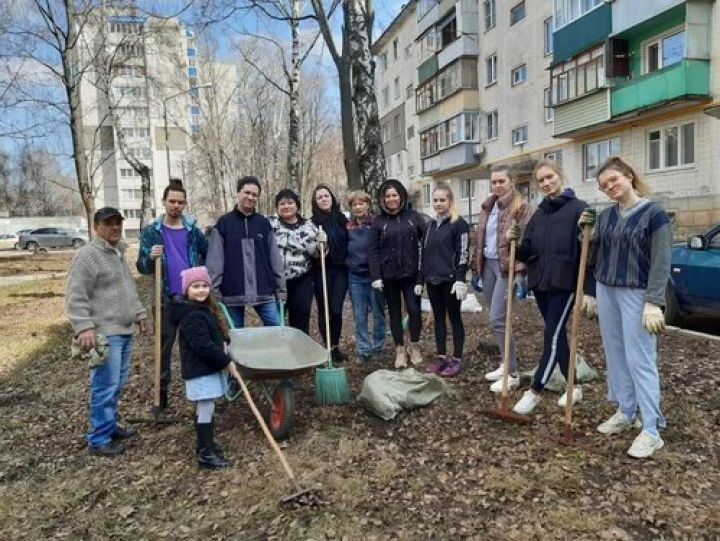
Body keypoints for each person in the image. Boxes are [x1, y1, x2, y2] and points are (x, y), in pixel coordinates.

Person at [580, 156, 671, 459]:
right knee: (615, 353)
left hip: (637, 293)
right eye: (605, 185)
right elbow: (594, 257)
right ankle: (626, 410)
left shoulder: (654, 215)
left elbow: (661, 262)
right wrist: (585, 234)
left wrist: (654, 302)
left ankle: (652, 428)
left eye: (614, 180)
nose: (610, 187)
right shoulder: (606, 216)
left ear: (629, 176)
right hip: (607, 290)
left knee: (640, 357)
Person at [509, 160, 593, 415]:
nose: (546, 183)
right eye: (541, 180)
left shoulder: (579, 209)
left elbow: (589, 252)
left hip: (565, 282)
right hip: (541, 283)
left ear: (560, 176)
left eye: (550, 177)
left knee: (552, 336)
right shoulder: (539, 213)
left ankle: (535, 390)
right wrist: (515, 242)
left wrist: (588, 290)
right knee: (556, 336)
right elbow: (528, 251)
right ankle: (574, 386)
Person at [65, 207, 148, 457]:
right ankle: (99, 439)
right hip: (103, 333)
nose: (114, 227)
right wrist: (84, 327)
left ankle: (110, 426)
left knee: (117, 384)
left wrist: (140, 313)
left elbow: (128, 290)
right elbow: (76, 296)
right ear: (96, 226)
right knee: (104, 385)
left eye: (117, 223)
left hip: (123, 330)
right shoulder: (87, 257)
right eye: (108, 223)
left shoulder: (117, 254)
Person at [136, 179, 208, 410]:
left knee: (195, 346)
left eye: (180, 202)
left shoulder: (193, 232)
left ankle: (200, 393)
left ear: (185, 204)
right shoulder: (151, 233)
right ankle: (161, 396)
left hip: (192, 300)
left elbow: (208, 255)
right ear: (164, 202)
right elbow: (142, 267)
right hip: (165, 299)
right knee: (163, 349)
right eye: (172, 201)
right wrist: (150, 257)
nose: (176, 205)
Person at [168, 266, 241, 469]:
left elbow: (214, 333)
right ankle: (205, 452)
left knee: (206, 408)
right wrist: (226, 363)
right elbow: (203, 346)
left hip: (207, 368)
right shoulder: (191, 316)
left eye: (204, 286)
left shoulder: (203, 310)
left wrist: (224, 338)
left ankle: (207, 444)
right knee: (206, 407)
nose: (201, 290)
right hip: (200, 370)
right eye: (195, 286)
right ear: (186, 290)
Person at [472, 165, 531, 392]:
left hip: (507, 268)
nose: (497, 186)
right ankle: (506, 363)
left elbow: (527, 240)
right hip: (488, 265)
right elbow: (480, 239)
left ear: (511, 181)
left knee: (498, 318)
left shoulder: (521, 207)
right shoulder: (488, 206)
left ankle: (513, 373)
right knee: (498, 319)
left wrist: (520, 272)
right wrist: (475, 268)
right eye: (494, 182)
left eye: (501, 181)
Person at [207, 176, 286, 328]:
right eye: (247, 192)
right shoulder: (224, 224)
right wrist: (214, 291)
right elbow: (215, 260)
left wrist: (281, 288)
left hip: (264, 290)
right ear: (238, 193)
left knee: (278, 330)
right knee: (234, 338)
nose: (250, 197)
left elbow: (275, 258)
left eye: (254, 194)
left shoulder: (263, 224)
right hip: (232, 292)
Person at [368, 179, 427, 368]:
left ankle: (414, 346)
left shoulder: (413, 217)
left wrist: (421, 276)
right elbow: (373, 250)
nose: (391, 199)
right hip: (389, 276)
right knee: (394, 314)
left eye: (394, 195)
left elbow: (426, 244)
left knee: (414, 310)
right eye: (388, 196)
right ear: (383, 199)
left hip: (411, 275)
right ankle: (400, 349)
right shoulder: (378, 222)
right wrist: (376, 276)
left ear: (401, 196)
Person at [419, 184, 470, 377]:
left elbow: (463, 253)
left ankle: (456, 359)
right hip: (432, 280)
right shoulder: (430, 226)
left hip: (451, 281)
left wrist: (460, 279)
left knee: (454, 317)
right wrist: (420, 279)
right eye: (435, 200)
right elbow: (424, 253)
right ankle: (441, 356)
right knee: (438, 318)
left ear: (450, 201)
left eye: (442, 200)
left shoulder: (459, 224)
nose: (439, 204)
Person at [270, 189, 322, 334]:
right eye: (282, 203)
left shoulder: (309, 227)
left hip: (302, 279)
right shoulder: (270, 225)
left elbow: (319, 255)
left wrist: (321, 246)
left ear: (297, 206)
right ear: (277, 208)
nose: (286, 206)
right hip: (276, 281)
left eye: (290, 202)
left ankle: (299, 352)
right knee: (275, 320)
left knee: (300, 317)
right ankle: (278, 352)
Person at [345, 190, 386, 364]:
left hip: (374, 276)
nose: (358, 207)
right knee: (359, 315)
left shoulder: (376, 223)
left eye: (361, 203)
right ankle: (363, 349)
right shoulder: (348, 226)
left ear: (368, 205)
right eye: (354, 204)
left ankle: (378, 347)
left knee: (378, 313)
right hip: (355, 277)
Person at [311, 184, 350, 363]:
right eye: (320, 197)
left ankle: (335, 346)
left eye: (326, 196)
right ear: (315, 202)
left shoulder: (342, 219)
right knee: (324, 310)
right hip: (321, 270)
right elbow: (310, 249)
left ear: (332, 198)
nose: (324, 199)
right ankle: (327, 348)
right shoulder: (312, 223)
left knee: (336, 309)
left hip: (340, 269)